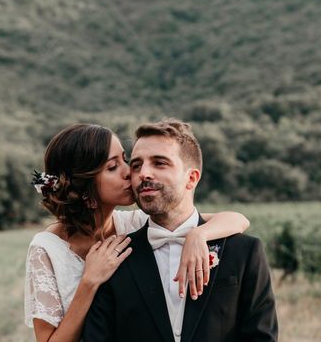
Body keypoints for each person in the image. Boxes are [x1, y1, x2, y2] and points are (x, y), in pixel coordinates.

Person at [25, 123, 251, 342]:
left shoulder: (136, 223)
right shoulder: (47, 249)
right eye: (113, 167)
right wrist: (89, 282)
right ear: (85, 188)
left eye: (125, 160)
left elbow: (237, 219)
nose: (132, 172)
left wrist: (198, 235)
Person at [82, 119, 278, 342]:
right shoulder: (113, 258)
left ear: (191, 178)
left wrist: (199, 234)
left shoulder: (244, 252)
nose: (143, 173)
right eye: (136, 165)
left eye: (160, 163)